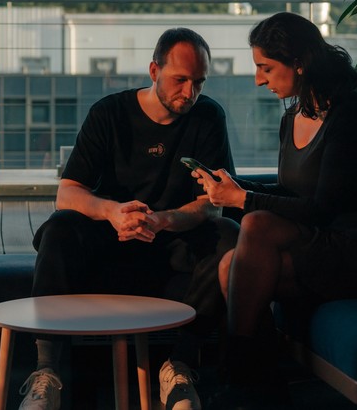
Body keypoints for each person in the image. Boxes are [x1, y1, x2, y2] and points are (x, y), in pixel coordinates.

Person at [18, 27, 239, 410]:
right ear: (154, 71)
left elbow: (211, 204)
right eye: (180, 80)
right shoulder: (109, 113)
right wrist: (112, 212)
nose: (190, 92)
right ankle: (46, 372)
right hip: (111, 238)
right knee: (59, 229)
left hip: (171, 240)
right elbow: (67, 193)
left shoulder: (207, 116)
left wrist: (162, 220)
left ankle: (179, 367)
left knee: (228, 234)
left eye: (199, 82)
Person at [193, 12, 357, 408]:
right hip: (317, 240)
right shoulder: (293, 116)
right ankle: (260, 386)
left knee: (255, 224)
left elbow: (321, 209)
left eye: (266, 68)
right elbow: (290, 193)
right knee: (229, 265)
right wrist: (237, 188)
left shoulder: (350, 116)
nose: (259, 80)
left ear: (299, 63)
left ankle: (242, 378)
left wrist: (242, 200)